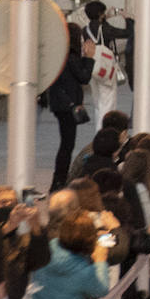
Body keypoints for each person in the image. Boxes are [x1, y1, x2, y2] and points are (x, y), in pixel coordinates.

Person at [47, 22, 96, 192]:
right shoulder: (70, 56)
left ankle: (58, 180)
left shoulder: (60, 55)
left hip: (60, 104)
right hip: (68, 106)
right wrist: (89, 58)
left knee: (66, 144)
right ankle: (58, 181)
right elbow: (84, 77)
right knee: (67, 145)